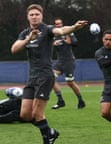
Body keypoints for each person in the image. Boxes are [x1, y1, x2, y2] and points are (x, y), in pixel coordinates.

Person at [10, 4, 88, 144]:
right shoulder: (25, 33)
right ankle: (50, 132)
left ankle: (47, 139)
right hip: (32, 77)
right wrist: (28, 38)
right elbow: (14, 49)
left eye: (37, 14)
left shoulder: (47, 29)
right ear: (28, 17)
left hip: (45, 76)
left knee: (37, 113)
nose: (34, 17)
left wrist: (74, 27)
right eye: (32, 14)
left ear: (41, 16)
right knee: (25, 115)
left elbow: (60, 31)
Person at [51, 18, 86, 109]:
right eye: (56, 24)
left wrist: (66, 40)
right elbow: (48, 45)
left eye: (60, 24)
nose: (58, 25)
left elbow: (74, 43)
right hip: (60, 61)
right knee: (51, 78)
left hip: (69, 61)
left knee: (70, 82)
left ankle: (81, 100)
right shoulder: (53, 35)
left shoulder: (68, 32)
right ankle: (60, 100)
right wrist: (53, 44)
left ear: (62, 24)